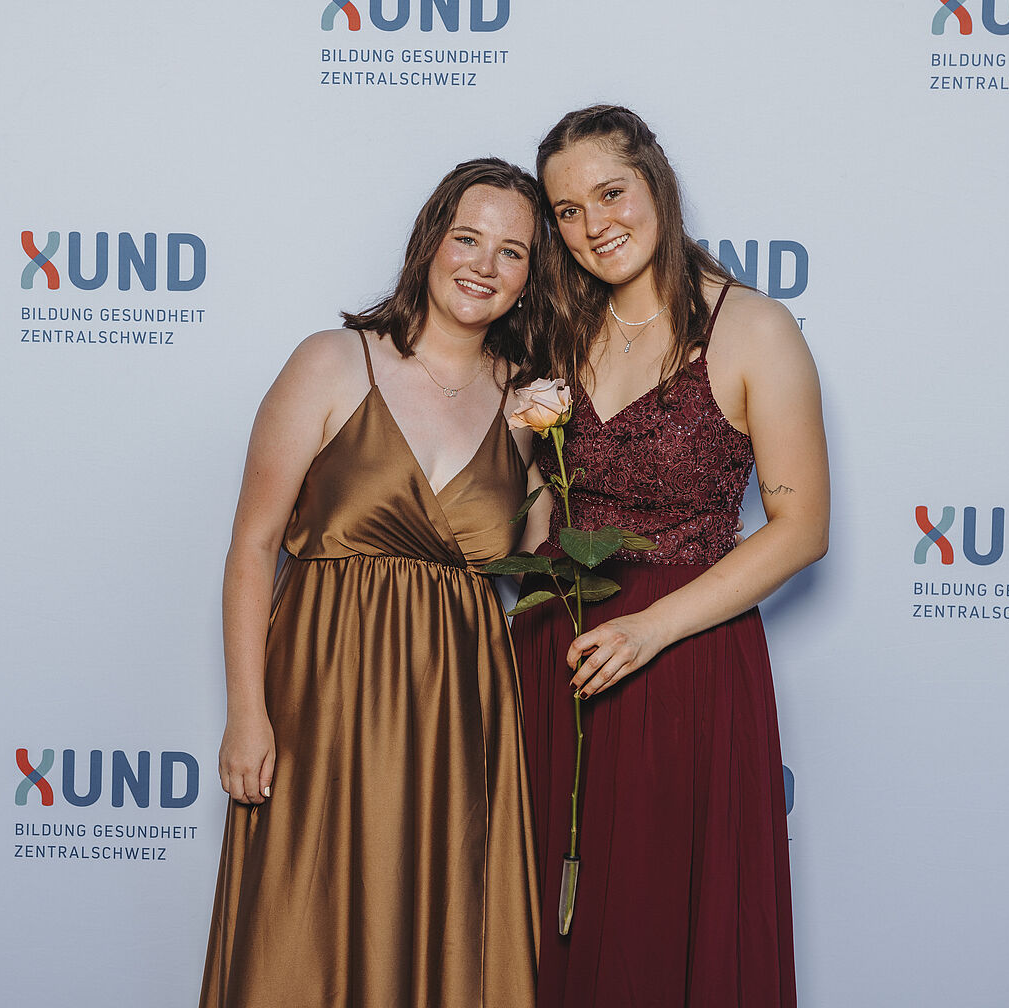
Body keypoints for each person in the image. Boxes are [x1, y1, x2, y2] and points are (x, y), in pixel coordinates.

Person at [199, 158, 551, 1008]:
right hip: (321, 694)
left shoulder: (525, 403)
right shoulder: (330, 362)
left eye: (511, 252)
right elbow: (252, 546)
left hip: (457, 711)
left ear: (529, 279)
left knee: (440, 922)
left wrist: (550, 447)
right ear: (429, 243)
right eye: (467, 238)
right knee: (303, 922)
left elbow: (542, 567)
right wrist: (246, 713)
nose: (483, 265)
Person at [512, 105, 829, 1008]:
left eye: (610, 193)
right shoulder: (560, 328)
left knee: (655, 923)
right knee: (543, 916)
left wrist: (649, 629)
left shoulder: (753, 328)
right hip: (556, 651)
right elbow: (540, 511)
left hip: (683, 659)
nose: (593, 225)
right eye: (566, 211)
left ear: (656, 182)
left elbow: (801, 527)